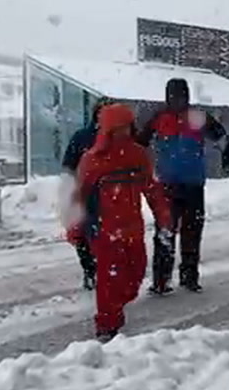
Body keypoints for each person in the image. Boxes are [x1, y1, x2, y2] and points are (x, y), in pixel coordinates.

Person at [73, 103, 173, 341]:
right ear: (108, 129)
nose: (124, 133)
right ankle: (107, 325)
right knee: (109, 279)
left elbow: (152, 189)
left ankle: (115, 308)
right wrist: (75, 229)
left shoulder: (138, 155)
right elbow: (79, 196)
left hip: (132, 230)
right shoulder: (92, 159)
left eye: (127, 127)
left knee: (135, 275)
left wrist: (164, 216)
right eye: (118, 128)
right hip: (104, 231)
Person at [136, 78, 229, 294]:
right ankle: (161, 281)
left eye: (180, 96)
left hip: (192, 184)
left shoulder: (197, 117)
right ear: (167, 97)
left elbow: (222, 138)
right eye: (173, 96)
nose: (177, 100)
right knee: (165, 232)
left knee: (192, 231)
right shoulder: (159, 118)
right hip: (167, 185)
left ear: (187, 96)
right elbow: (140, 142)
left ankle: (189, 276)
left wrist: (228, 159)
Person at [61, 98, 112, 289]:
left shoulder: (118, 139)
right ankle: (90, 270)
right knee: (82, 234)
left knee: (104, 235)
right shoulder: (82, 137)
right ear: (96, 114)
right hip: (84, 192)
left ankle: (104, 270)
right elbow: (68, 164)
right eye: (102, 111)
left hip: (109, 194)